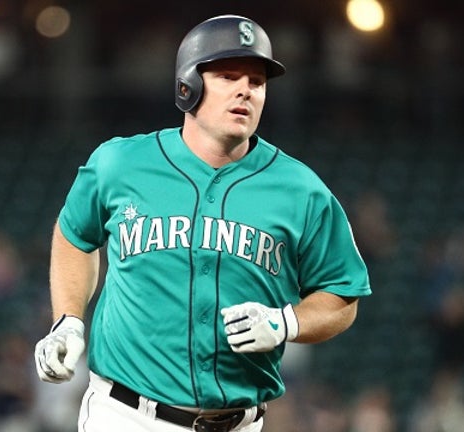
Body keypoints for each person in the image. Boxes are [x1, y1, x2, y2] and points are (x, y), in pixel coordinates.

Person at [34, 14, 372, 432]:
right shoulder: (120, 163)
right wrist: (68, 319)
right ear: (187, 85)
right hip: (125, 416)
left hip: (239, 423)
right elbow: (75, 236)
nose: (245, 90)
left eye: (257, 81)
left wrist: (288, 322)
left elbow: (342, 295)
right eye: (229, 76)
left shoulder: (301, 190)